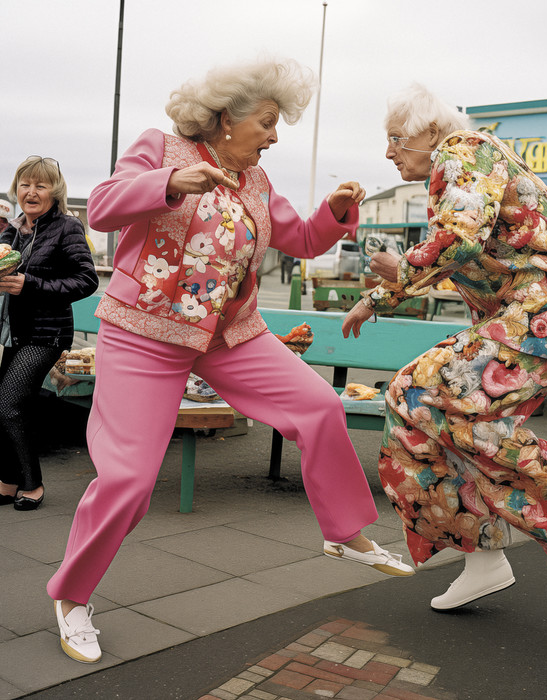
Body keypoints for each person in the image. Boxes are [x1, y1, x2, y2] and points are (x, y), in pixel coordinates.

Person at [46, 59, 412, 666]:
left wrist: (337, 209)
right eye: (267, 123)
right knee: (129, 482)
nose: (274, 136)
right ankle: (72, 595)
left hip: (230, 335)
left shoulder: (256, 181)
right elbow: (104, 207)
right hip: (145, 334)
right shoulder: (159, 147)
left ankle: (345, 533)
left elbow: (300, 239)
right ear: (223, 118)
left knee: (320, 406)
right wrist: (168, 183)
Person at [342, 84, 547, 615]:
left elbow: (457, 239)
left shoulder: (462, 151)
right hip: (531, 318)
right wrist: (379, 294)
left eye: (397, 138)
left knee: (418, 390)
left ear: (432, 132)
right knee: (423, 410)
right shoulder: (466, 163)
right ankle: (481, 557)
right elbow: (473, 250)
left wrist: (397, 277)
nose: (390, 151)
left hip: (541, 316)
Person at [0, 157, 98, 511]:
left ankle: (32, 484)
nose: (31, 192)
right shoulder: (11, 230)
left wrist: (31, 284)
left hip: (47, 334)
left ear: (55, 192)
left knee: (9, 405)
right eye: (25, 184)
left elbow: (87, 280)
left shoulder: (67, 228)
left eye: (41, 185)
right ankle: (8, 482)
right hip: (16, 333)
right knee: (5, 406)